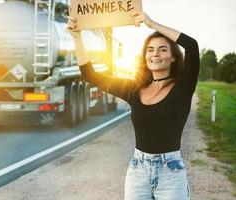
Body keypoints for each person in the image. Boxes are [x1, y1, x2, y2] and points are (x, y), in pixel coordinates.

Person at [67, 10, 199, 200]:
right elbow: (90, 75)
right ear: (145, 56)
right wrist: (77, 37)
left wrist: (152, 24)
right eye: (150, 49)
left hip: (170, 173)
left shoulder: (183, 88)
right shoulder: (135, 89)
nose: (155, 54)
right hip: (138, 171)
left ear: (173, 57)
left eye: (163, 49)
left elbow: (192, 46)